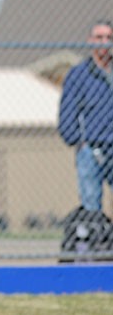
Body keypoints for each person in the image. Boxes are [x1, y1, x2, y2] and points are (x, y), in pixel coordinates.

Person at [58, 20, 113, 212]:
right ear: (90, 41)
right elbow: (67, 112)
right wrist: (78, 142)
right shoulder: (79, 75)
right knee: (91, 205)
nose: (104, 42)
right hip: (91, 150)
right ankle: (96, 242)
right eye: (99, 37)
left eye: (108, 37)